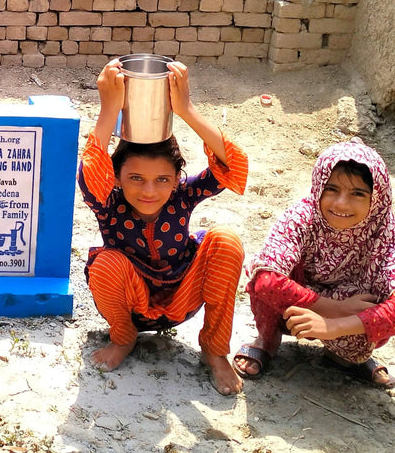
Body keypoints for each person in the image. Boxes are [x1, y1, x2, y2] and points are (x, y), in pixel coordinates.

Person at [79, 58, 248, 395]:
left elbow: (235, 166)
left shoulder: (182, 198)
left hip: (182, 301)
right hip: (132, 308)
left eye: (162, 180)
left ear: (175, 182)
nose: (149, 191)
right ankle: (123, 340)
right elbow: (89, 176)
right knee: (105, 263)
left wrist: (185, 109)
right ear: (117, 178)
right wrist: (109, 107)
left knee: (225, 240)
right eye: (136, 178)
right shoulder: (109, 204)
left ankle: (215, 352)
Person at [233, 140, 395, 388]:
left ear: (377, 199)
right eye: (331, 189)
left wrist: (333, 327)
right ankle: (267, 341)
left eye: (358, 194)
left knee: (380, 305)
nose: (341, 203)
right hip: (293, 309)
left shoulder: (385, 230)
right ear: (318, 186)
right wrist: (335, 308)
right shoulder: (302, 217)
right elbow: (267, 280)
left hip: (352, 311)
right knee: (261, 278)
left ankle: (344, 357)